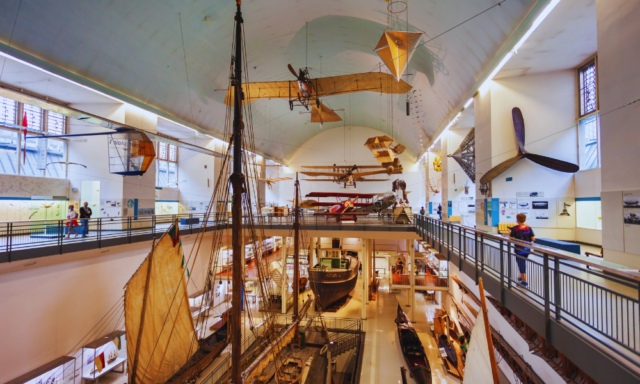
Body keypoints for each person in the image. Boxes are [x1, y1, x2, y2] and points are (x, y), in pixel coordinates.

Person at [510, 213, 536, 287]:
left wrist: (509, 234)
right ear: (524, 220)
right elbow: (533, 238)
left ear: (517, 220)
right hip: (527, 249)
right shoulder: (528, 228)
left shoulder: (515, 228)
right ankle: (520, 277)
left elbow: (511, 238)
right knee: (523, 263)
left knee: (521, 264)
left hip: (519, 249)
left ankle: (524, 282)